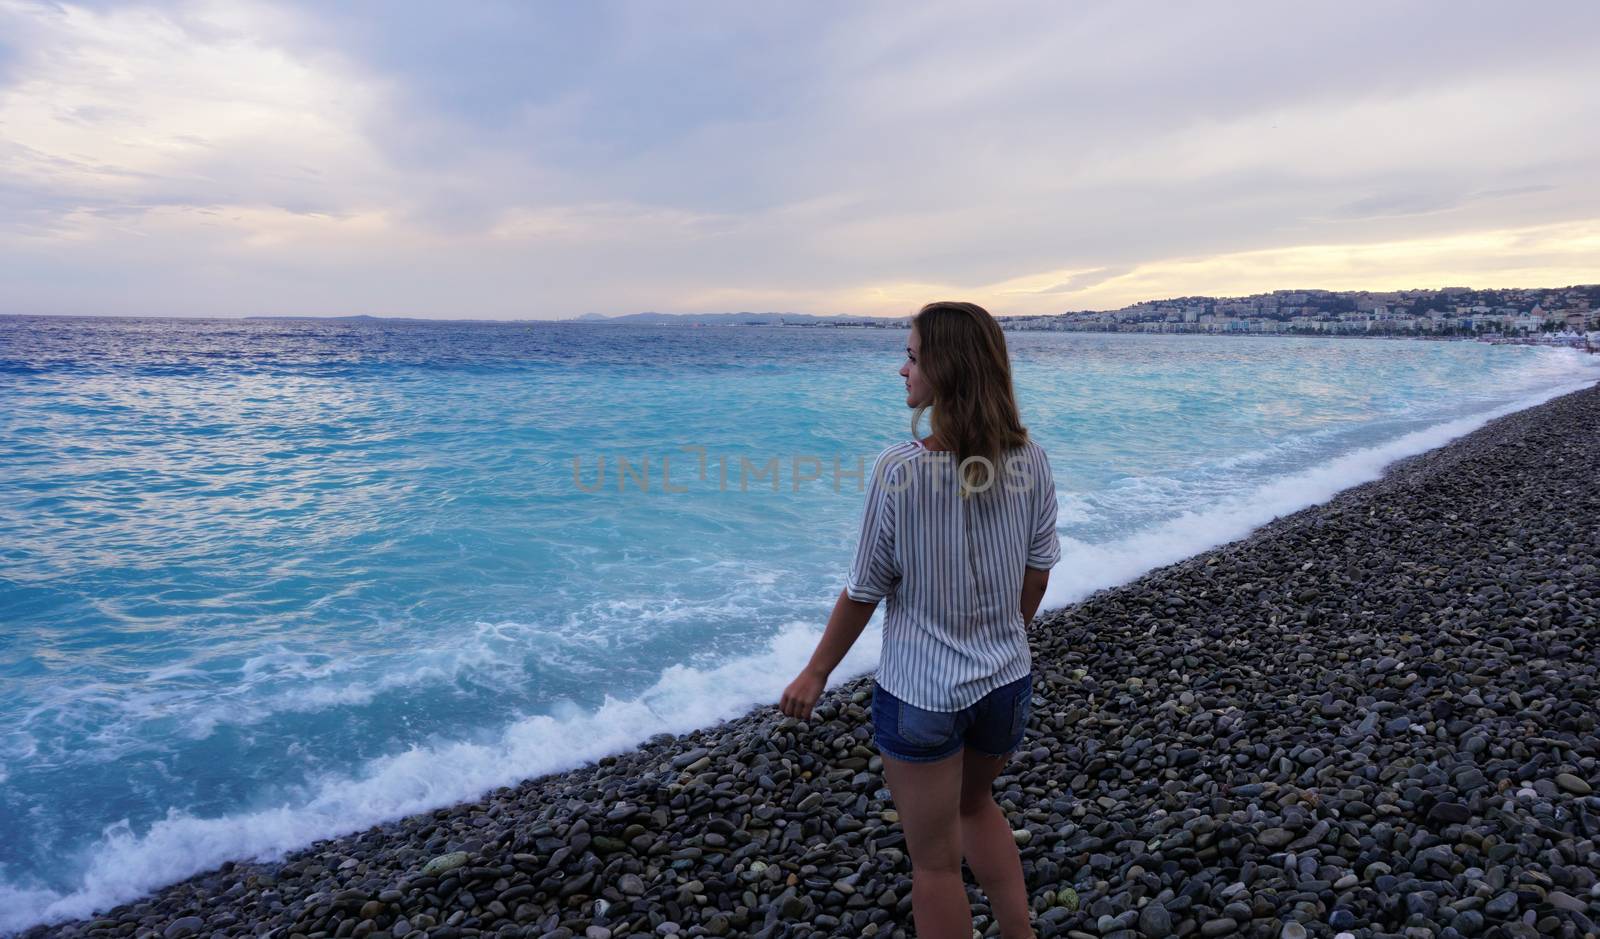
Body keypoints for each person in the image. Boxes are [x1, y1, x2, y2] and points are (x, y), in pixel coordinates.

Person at [779, 300, 1061, 939]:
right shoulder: (1031, 459)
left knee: (934, 864)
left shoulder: (900, 469)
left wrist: (814, 674)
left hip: (922, 691)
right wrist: (1002, 636)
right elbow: (1038, 572)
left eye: (911, 356)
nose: (900, 369)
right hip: (1007, 681)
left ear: (948, 367)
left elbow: (863, 591)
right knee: (977, 804)